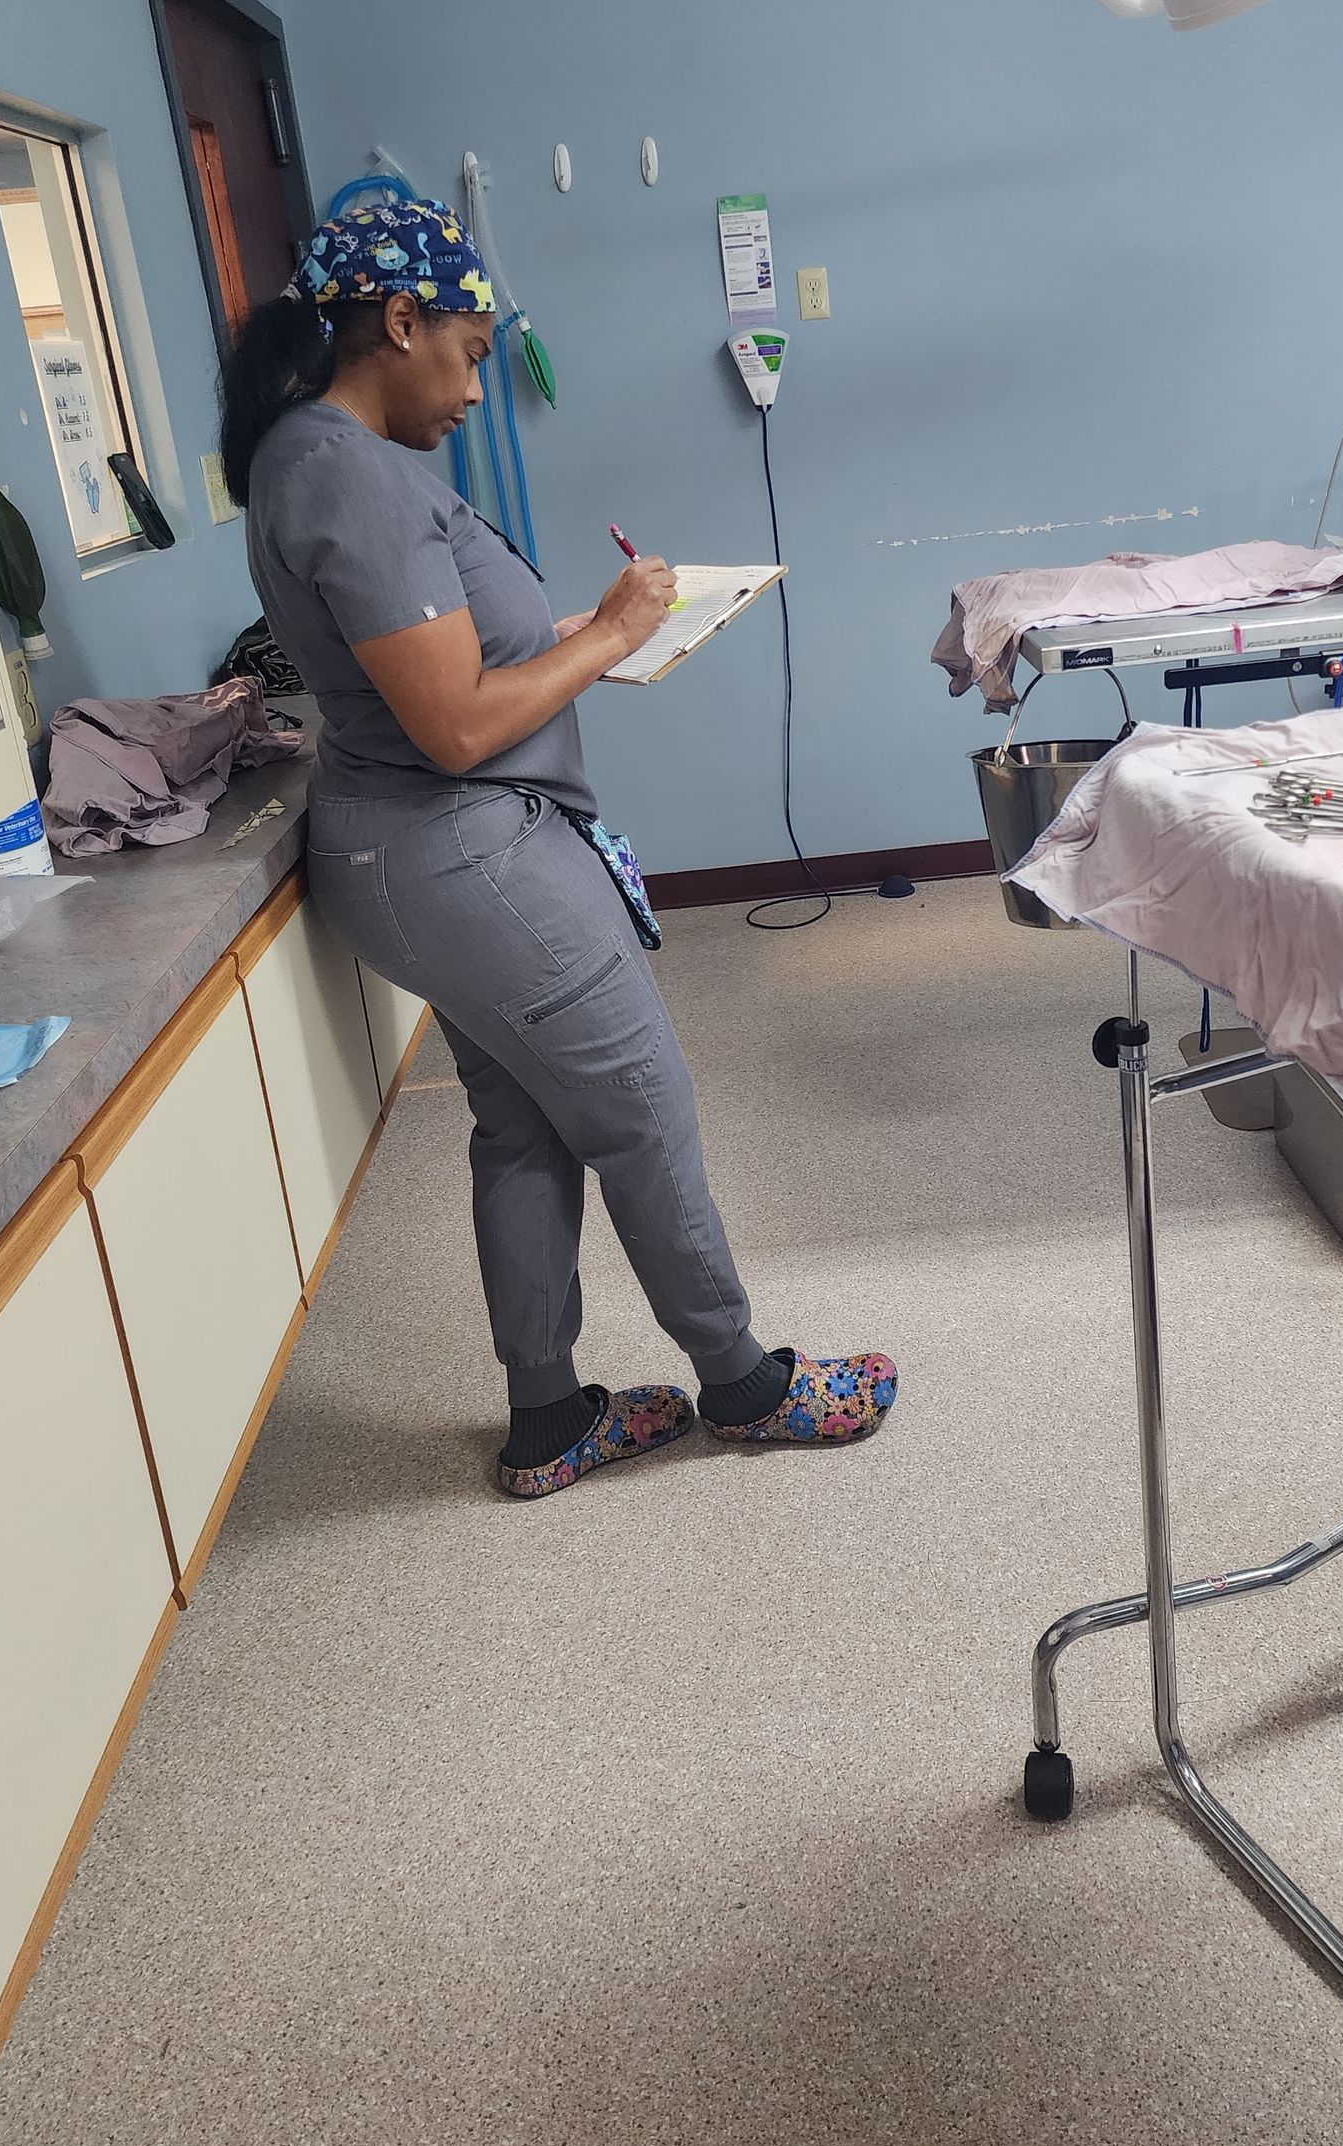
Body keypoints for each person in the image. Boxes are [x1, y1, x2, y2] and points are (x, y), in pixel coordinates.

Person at [219, 198, 896, 1498]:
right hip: (463, 851)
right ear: (398, 322)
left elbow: (454, 677)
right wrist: (615, 629)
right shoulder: (343, 471)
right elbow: (457, 724)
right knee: (642, 1106)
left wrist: (580, 636)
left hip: (427, 854)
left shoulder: (317, 460)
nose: (478, 388)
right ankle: (744, 1384)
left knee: (525, 1127)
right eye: (469, 353)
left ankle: (548, 1419)